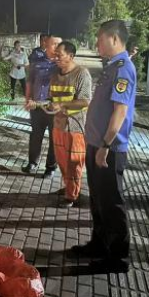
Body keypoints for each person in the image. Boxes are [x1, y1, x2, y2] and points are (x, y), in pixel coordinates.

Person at [73, 19, 136, 273]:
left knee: (111, 202)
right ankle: (99, 245)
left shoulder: (123, 69)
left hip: (108, 149)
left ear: (114, 39)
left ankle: (118, 258)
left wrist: (106, 145)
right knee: (98, 199)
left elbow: (120, 112)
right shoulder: (111, 67)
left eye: (100, 39)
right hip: (96, 144)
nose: (97, 43)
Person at [48, 42, 92, 207]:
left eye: (59, 55)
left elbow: (85, 101)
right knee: (62, 161)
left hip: (75, 127)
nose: (55, 58)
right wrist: (38, 103)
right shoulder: (55, 74)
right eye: (55, 54)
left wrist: (62, 105)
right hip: (58, 125)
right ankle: (69, 187)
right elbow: (51, 98)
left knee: (74, 162)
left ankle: (72, 195)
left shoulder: (81, 74)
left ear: (71, 56)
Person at [23, 35, 62, 176]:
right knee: (35, 135)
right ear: (46, 44)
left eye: (59, 44)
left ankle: (50, 167)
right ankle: (32, 162)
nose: (57, 47)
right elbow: (30, 82)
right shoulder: (37, 62)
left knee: (54, 138)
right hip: (37, 106)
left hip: (54, 109)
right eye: (54, 44)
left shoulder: (62, 65)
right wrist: (28, 99)